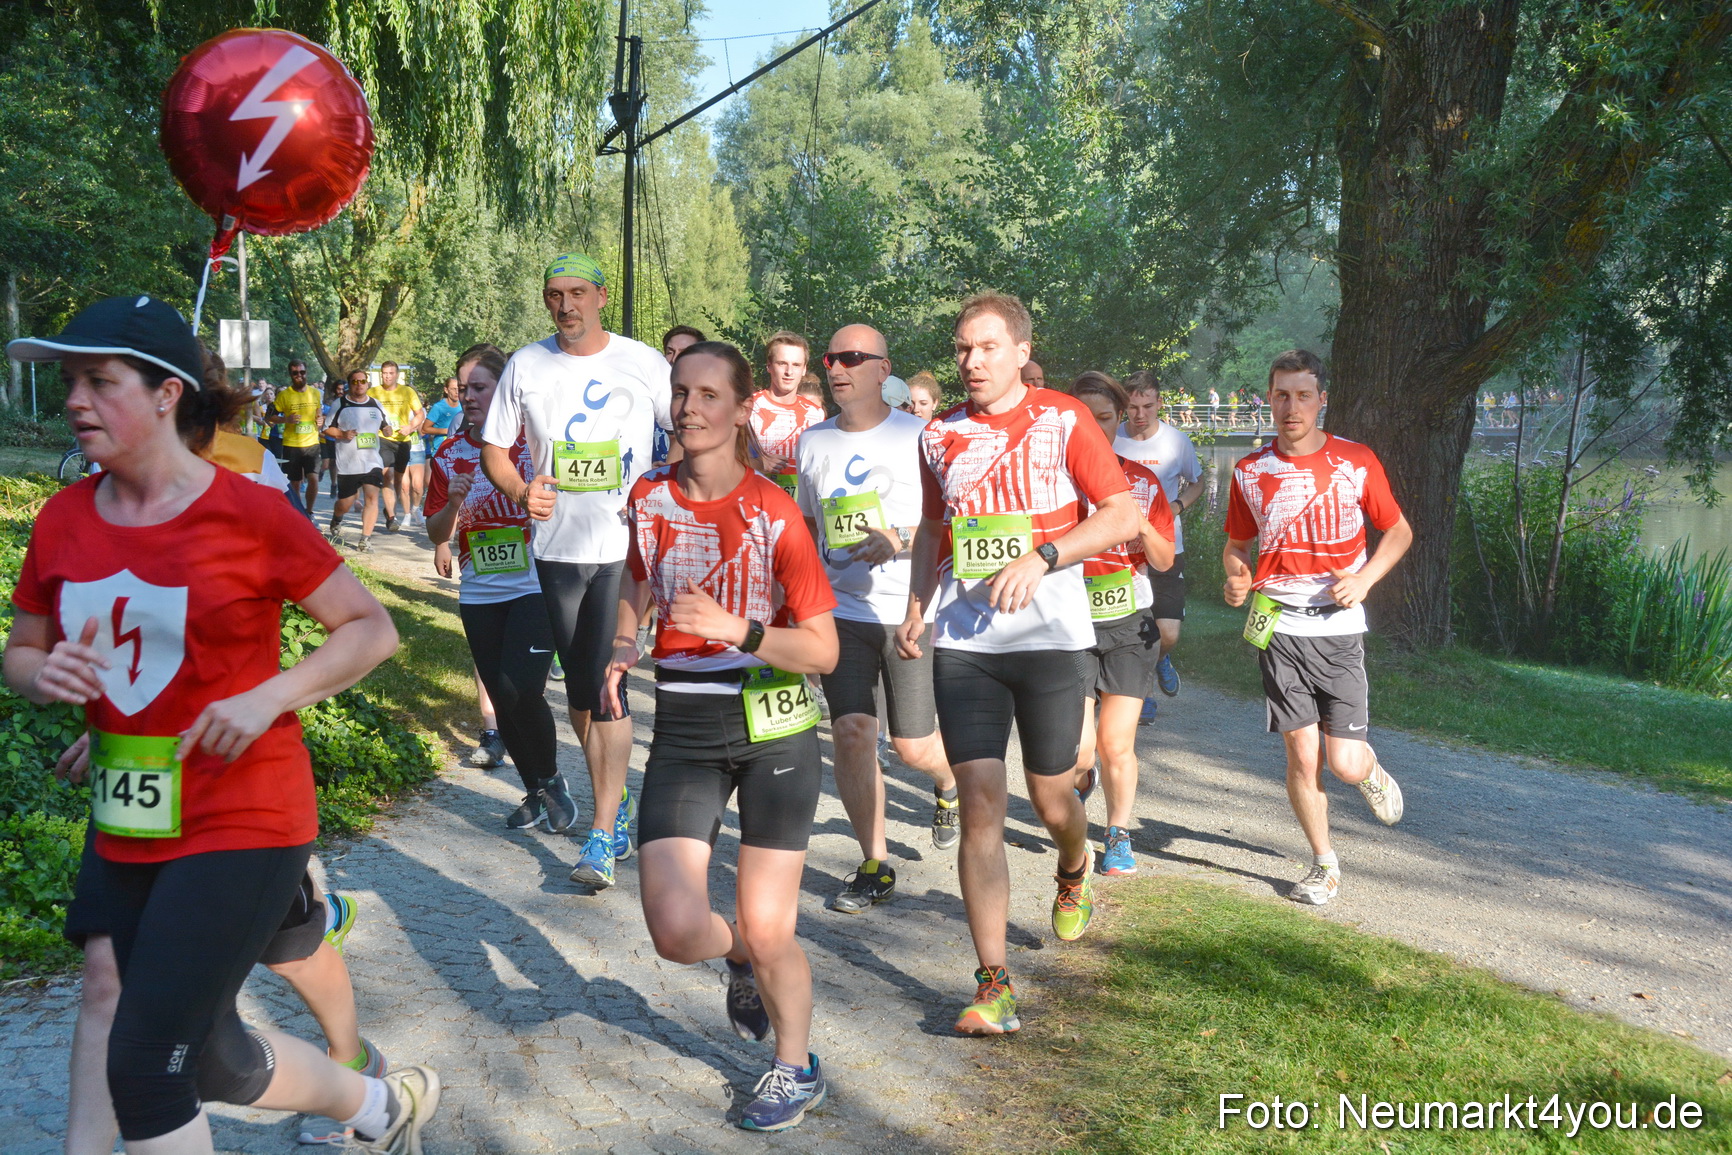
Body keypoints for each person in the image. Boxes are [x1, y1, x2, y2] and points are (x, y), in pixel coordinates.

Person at [3, 294, 436, 1153]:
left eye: (99, 380)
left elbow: (371, 628)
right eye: (68, 382)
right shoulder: (63, 519)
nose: (75, 401)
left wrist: (269, 695)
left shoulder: (249, 514)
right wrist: (44, 676)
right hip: (133, 803)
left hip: (247, 813)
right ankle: (379, 1106)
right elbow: (20, 651)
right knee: (197, 1055)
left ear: (167, 394)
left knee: (149, 1068)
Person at [604, 340, 838, 1132]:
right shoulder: (648, 496)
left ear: (743, 410)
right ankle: (737, 953)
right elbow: (639, 574)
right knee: (674, 931)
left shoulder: (775, 511)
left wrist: (739, 627)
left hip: (774, 727)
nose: (690, 407)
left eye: (709, 394)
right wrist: (621, 641)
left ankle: (794, 1066)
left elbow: (823, 649)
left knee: (776, 926)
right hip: (686, 726)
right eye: (681, 392)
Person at [897, 293, 1137, 1035]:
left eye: (987, 348)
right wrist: (916, 605)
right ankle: (992, 982)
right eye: (963, 349)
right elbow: (934, 527)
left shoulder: (1063, 418)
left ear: (1022, 350)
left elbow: (1123, 513)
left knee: (1052, 796)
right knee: (980, 805)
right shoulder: (938, 435)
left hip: (1053, 641)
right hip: (967, 642)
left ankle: (1073, 865)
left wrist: (1045, 555)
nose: (972, 362)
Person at [480, 252, 673, 890]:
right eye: (554, 295)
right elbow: (493, 449)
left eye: (578, 293)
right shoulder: (527, 365)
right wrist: (519, 489)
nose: (566, 306)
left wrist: (673, 497)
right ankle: (612, 810)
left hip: (623, 548)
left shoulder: (644, 363)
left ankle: (601, 832)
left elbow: (691, 427)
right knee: (584, 698)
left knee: (608, 686)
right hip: (556, 552)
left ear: (601, 295)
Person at [1222, 348, 1412, 906]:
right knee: (1302, 757)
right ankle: (1323, 863)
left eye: (1303, 395)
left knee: (1344, 763)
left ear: (1321, 400)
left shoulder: (1355, 461)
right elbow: (1237, 547)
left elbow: (1398, 531)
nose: (1291, 406)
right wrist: (1236, 578)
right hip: (1278, 628)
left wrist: (1367, 578)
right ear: (1270, 398)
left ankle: (1370, 770)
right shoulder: (1250, 471)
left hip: (1338, 626)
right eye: (1281, 394)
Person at [796, 325, 959, 915]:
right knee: (852, 734)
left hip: (910, 611)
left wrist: (900, 537)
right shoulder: (811, 443)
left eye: (854, 358)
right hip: (841, 612)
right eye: (832, 358)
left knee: (912, 746)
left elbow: (952, 526)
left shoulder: (922, 437)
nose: (838, 367)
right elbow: (807, 532)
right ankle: (874, 862)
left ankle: (947, 782)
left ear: (883, 369)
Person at [428, 343, 574, 834]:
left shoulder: (533, 442)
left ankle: (551, 779)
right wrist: (451, 506)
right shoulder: (449, 454)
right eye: (463, 387)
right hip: (480, 590)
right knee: (498, 690)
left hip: (534, 581)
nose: (469, 396)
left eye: (480, 387)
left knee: (520, 687)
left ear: (503, 388)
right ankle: (537, 789)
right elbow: (434, 531)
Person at [1067, 372, 1175, 876]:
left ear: (1118, 421)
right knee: (1080, 751)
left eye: (1105, 418)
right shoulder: (1056, 479)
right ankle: (1081, 779)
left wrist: (1139, 520)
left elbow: (1165, 559)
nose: (1096, 427)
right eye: (1085, 418)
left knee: (1116, 743)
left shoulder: (1141, 481)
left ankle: (1117, 833)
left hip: (1129, 626)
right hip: (1071, 627)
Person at [1115, 370, 1204, 719]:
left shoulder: (1176, 441)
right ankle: (1143, 694)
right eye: (1133, 407)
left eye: (1147, 406)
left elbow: (1197, 483)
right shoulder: (1112, 439)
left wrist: (1176, 506)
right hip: (1121, 549)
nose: (1140, 415)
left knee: (1167, 632)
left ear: (1159, 404)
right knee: (1132, 626)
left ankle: (1162, 658)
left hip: (1166, 545)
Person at [746, 331, 823, 495]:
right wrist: (759, 464)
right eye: (782, 363)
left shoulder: (815, 413)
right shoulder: (748, 407)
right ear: (769, 366)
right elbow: (724, 460)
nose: (789, 372)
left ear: (804, 369)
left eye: (796, 365)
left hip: (799, 508)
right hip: (755, 501)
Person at [325, 369, 393, 552]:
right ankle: (337, 517)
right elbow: (327, 429)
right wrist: (342, 433)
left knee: (372, 498)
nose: (359, 384)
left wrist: (387, 430)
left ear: (367, 383)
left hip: (372, 461)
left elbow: (386, 426)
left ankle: (365, 539)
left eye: (362, 381)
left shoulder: (375, 404)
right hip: (348, 463)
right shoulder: (340, 404)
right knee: (345, 503)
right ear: (350, 384)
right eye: (355, 382)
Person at [369, 361, 424, 531]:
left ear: (397, 374)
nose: (387, 376)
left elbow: (419, 413)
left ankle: (389, 507)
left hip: (403, 440)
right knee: (388, 475)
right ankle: (392, 518)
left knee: (398, 478)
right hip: (383, 438)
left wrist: (411, 426)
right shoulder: (373, 392)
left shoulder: (407, 391)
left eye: (391, 373)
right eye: (384, 373)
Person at [272, 359, 325, 516]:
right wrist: (285, 419)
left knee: (313, 479)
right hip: (292, 444)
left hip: (312, 443)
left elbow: (318, 413)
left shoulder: (315, 393)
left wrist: (320, 420)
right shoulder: (284, 395)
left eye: (302, 372)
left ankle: (309, 511)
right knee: (295, 482)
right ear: (290, 375)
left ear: (306, 373)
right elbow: (270, 416)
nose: (299, 375)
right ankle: (298, 511)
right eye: (295, 373)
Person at [423, 376, 463, 456]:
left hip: (460, 451)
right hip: (441, 451)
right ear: (446, 390)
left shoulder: (464, 406)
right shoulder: (438, 407)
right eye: (453, 389)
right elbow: (424, 429)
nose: (457, 392)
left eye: (459, 388)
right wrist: (447, 431)